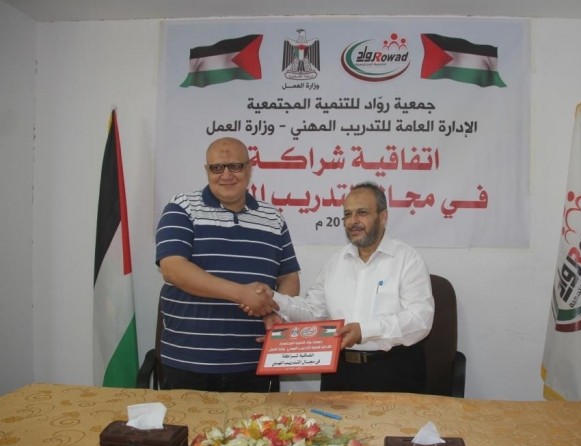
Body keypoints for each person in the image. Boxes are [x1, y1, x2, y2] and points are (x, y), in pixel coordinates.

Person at [155, 137, 300, 392]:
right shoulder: (182, 207)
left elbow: (288, 276)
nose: (226, 175)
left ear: (249, 169)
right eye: (217, 168)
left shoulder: (273, 218)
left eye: (235, 166)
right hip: (189, 362)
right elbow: (172, 269)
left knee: (258, 421)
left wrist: (277, 311)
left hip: (255, 363)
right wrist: (241, 293)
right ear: (207, 170)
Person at [268, 181, 434, 393]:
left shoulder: (407, 259)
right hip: (340, 371)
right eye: (347, 215)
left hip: (393, 369)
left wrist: (364, 331)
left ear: (383, 216)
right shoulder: (335, 263)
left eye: (362, 213)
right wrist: (273, 299)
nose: (353, 221)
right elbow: (313, 311)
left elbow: (420, 320)